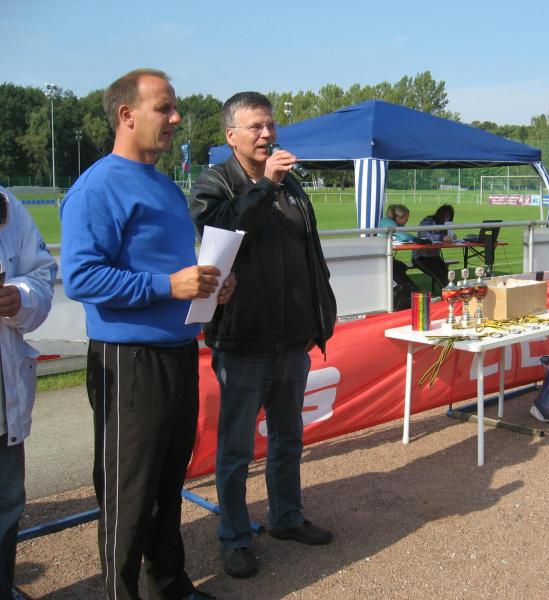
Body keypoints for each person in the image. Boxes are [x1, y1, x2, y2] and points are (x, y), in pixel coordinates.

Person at [60, 68, 234, 600]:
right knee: (128, 491)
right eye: (164, 108)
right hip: (128, 360)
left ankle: (170, 583)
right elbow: (81, 278)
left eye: (174, 107)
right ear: (126, 115)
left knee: (167, 482)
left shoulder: (162, 184)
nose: (176, 118)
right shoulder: (97, 187)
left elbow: (172, 269)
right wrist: (169, 285)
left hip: (178, 352)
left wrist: (210, 286)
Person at [189, 91, 337, 580]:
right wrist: (264, 186)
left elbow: (309, 253)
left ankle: (287, 517)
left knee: (288, 437)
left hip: (291, 339)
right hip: (243, 341)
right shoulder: (215, 184)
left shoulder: (291, 185)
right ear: (231, 135)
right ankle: (233, 537)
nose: (267, 134)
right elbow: (221, 234)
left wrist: (320, 312)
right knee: (235, 450)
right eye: (255, 126)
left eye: (270, 125)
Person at [0, 188, 57, 600]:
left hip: (3, 401)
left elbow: (40, 276)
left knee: (7, 505)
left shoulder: (6, 205)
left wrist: (18, 297)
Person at [378, 204, 419, 310]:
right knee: (398, 279)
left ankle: (415, 297)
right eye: (406, 219)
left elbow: (403, 236)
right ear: (398, 217)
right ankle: (411, 299)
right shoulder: (387, 222)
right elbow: (404, 237)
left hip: (386, 258)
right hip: (381, 261)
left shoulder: (388, 222)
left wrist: (415, 238)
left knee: (401, 271)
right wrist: (416, 239)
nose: (406, 222)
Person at [412, 204, 457, 289]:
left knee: (447, 274)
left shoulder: (445, 225)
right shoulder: (428, 221)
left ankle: (453, 291)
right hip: (420, 256)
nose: (447, 219)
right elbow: (424, 234)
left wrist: (452, 236)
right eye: (446, 216)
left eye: (449, 217)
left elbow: (449, 236)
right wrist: (442, 238)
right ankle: (449, 292)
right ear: (440, 214)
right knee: (438, 275)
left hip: (434, 256)